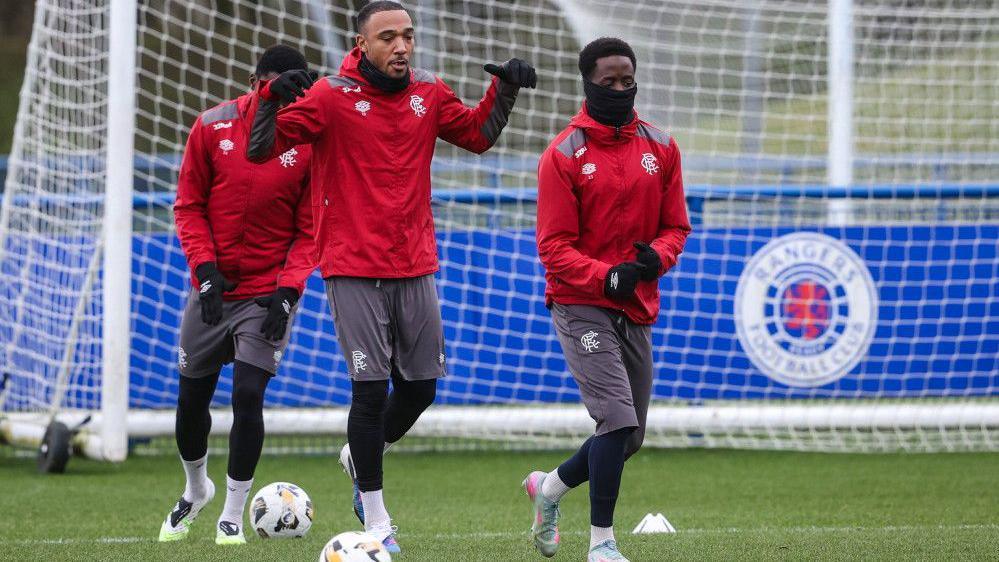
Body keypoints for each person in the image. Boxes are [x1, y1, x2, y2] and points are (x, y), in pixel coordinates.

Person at [245, 0, 537, 553]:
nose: (401, 46)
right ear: (362, 45)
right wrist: (270, 97)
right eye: (388, 37)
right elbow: (261, 149)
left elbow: (478, 135)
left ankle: (359, 453)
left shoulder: (429, 91)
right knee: (370, 390)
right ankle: (377, 521)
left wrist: (505, 90)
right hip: (352, 267)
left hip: (415, 263)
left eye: (407, 35)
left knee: (421, 388)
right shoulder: (329, 96)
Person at [528, 37, 691, 562]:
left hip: (635, 302)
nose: (620, 89)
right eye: (608, 81)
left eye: (627, 80)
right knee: (617, 420)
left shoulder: (662, 147)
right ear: (588, 84)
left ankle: (548, 488)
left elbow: (676, 227)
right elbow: (553, 248)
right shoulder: (563, 154)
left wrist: (654, 260)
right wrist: (606, 278)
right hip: (580, 302)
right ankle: (602, 543)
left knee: (629, 437)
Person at [159, 45, 316, 546]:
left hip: (266, 295)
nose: (282, 103)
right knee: (191, 400)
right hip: (213, 288)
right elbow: (188, 205)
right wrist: (204, 271)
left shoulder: (310, 141)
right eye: (274, 92)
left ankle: (231, 513)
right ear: (255, 83)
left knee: (248, 394)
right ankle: (196, 489)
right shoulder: (211, 126)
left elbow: (311, 229)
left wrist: (288, 290)